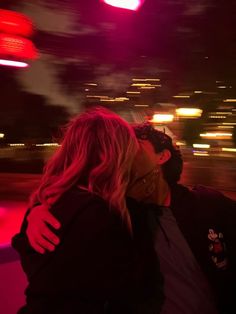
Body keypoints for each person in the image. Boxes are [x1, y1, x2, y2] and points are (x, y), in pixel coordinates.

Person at [19, 122, 236, 314]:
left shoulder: (206, 204)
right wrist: (37, 211)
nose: (124, 153)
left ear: (162, 156)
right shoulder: (118, 211)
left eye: (134, 145)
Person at [12, 110, 164, 314]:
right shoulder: (101, 215)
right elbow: (138, 290)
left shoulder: (48, 204)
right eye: (130, 150)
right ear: (111, 154)